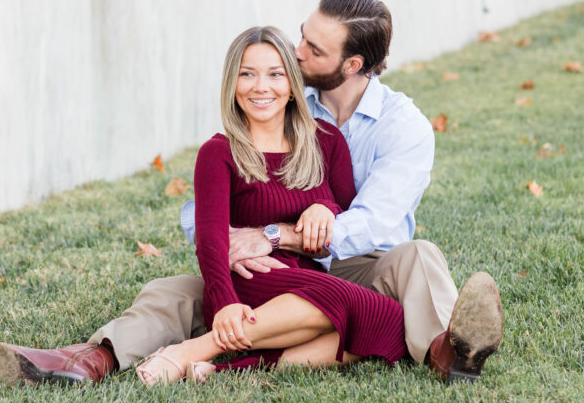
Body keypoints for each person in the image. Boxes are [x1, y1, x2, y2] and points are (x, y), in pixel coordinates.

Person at [0, 0, 503, 387]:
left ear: (351, 64)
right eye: (301, 40)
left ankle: (445, 352)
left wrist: (274, 234)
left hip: (360, 265)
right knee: (169, 291)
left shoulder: (399, 126)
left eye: (311, 50)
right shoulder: (280, 103)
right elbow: (205, 216)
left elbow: (373, 222)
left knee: (419, 255)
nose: (297, 53)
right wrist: (234, 245)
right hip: (260, 273)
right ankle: (88, 361)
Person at [131, 26, 406, 384]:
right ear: (233, 84)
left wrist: (327, 209)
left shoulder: (326, 142)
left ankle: (224, 367)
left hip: (309, 282)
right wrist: (225, 302)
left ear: (292, 85)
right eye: (247, 74)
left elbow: (346, 213)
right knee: (358, 308)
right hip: (247, 283)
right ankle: (196, 348)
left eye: (275, 74)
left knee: (390, 323)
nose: (261, 87)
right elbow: (212, 239)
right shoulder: (219, 153)